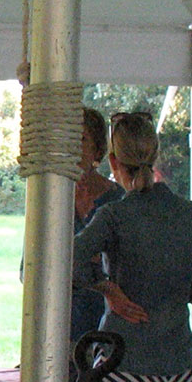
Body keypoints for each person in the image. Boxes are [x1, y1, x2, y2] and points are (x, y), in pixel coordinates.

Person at [70, 110, 192, 382]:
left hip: (121, 365)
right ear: (155, 155)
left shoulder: (114, 215)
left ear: (113, 161)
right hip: (178, 368)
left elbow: (66, 262)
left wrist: (106, 286)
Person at [70, 106, 123, 341]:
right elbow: (29, 269)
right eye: (69, 139)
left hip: (107, 325)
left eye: (81, 139)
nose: (73, 147)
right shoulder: (52, 202)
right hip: (61, 323)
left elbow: (121, 266)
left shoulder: (117, 201)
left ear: (98, 150)